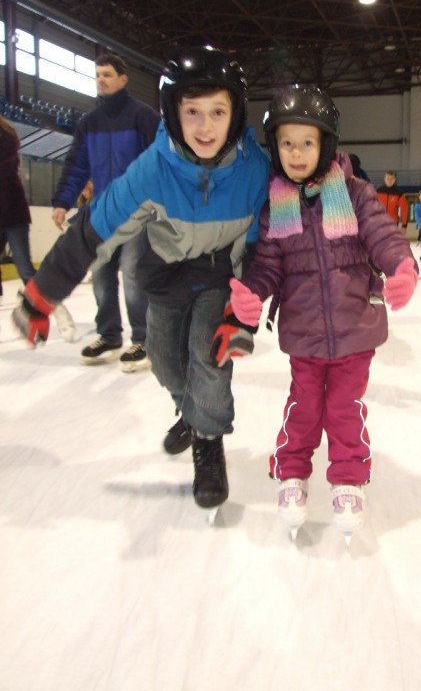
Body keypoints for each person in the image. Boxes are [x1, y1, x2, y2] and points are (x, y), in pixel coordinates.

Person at [12, 46, 271, 517]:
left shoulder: (254, 169)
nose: (205, 126)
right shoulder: (153, 168)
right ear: (173, 112)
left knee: (209, 358)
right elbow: (95, 228)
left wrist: (243, 314)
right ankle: (191, 413)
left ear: (235, 113)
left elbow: (262, 245)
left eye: (217, 112)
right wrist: (42, 294)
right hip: (167, 273)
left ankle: (208, 442)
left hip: (220, 276)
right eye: (192, 112)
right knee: (164, 361)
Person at [227, 85, 418, 541]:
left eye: (307, 143)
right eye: (287, 143)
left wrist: (401, 266)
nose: (296, 153)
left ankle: (348, 480)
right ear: (275, 147)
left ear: (325, 144)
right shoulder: (275, 207)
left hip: (355, 329)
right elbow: (268, 266)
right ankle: (291, 473)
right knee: (304, 407)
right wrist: (252, 292)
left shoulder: (355, 193)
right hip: (305, 332)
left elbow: (383, 235)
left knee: (344, 409)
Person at [51, 52, 160, 371]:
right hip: (103, 211)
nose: (101, 80)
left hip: (137, 210)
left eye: (108, 74)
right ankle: (109, 336)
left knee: (133, 272)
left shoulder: (143, 116)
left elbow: (160, 161)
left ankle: (144, 339)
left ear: (123, 79)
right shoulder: (89, 123)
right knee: (100, 272)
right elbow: (77, 166)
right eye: (98, 74)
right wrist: (62, 201)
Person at [0, 115, 74, 340]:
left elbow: (4, 172)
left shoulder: (7, 137)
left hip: (13, 213)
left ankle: (55, 305)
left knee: (24, 267)